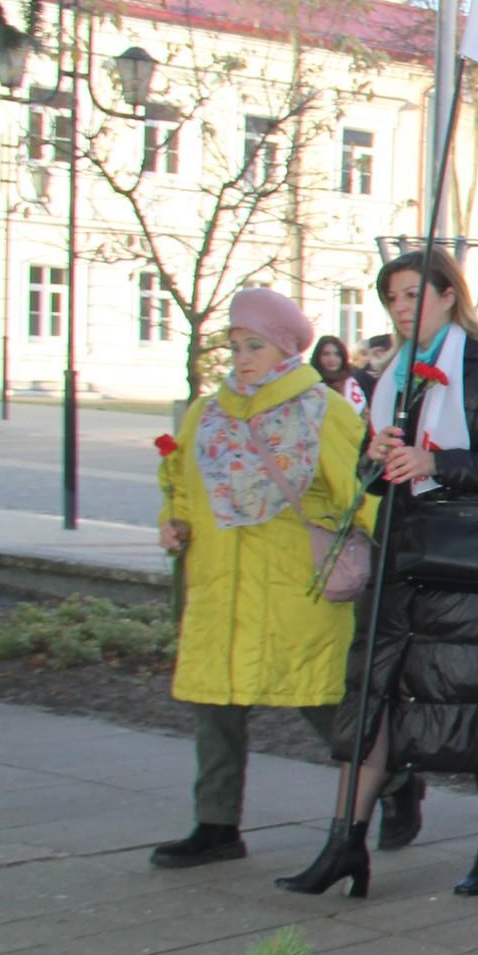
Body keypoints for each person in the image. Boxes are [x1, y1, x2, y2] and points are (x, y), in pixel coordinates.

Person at [278, 247, 478, 900]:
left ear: (449, 296)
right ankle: (345, 839)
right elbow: (376, 480)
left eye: (411, 296)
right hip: (404, 558)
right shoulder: (391, 373)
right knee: (374, 696)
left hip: (477, 564)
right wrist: (376, 461)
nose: (401, 310)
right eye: (392, 300)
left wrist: (438, 464)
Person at [151, 290, 367, 870]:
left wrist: (403, 556)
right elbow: (179, 480)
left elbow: (358, 495)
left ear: (285, 349)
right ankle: (216, 825)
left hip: (294, 592)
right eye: (236, 345)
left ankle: (390, 789)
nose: (241, 357)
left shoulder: (322, 411)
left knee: (322, 707)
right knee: (214, 710)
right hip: (221, 590)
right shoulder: (207, 413)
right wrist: (172, 521)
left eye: (255, 346)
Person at [309, 334, 367, 410]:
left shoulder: (354, 379)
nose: (332, 359)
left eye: (337, 354)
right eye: (326, 354)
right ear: (317, 356)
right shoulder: (310, 383)